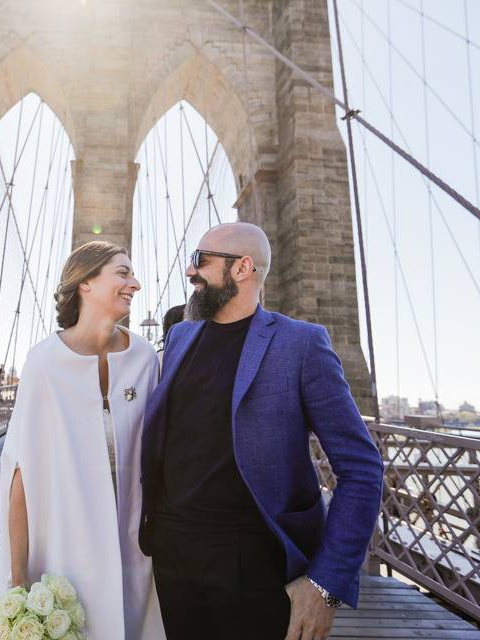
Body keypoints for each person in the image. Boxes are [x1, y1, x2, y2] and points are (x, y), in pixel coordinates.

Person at [139, 222, 384, 640]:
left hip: (256, 562)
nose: (188, 271)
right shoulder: (180, 337)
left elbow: (362, 469)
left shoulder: (302, 345)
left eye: (200, 260)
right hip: (173, 553)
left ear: (242, 268)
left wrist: (326, 586)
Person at [0, 241, 166, 640]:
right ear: (85, 283)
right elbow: (19, 474)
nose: (135, 282)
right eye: (122, 272)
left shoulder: (146, 359)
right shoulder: (44, 363)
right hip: (65, 548)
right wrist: (18, 576)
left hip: (134, 548)